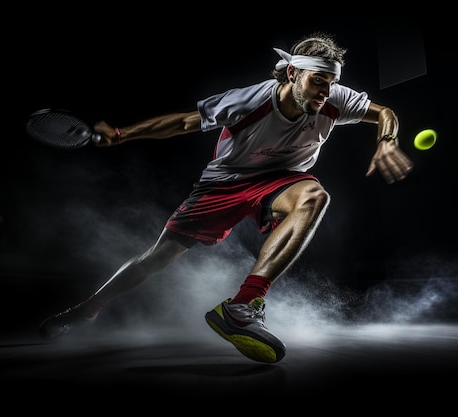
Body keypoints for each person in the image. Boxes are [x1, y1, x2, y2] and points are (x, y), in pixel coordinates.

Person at [38, 31, 414, 363]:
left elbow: (386, 112)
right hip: (224, 184)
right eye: (318, 81)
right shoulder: (248, 101)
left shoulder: (334, 98)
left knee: (314, 196)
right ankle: (87, 309)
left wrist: (386, 141)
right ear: (292, 73)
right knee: (157, 258)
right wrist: (121, 135)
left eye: (330, 83)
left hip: (282, 180)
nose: (325, 91)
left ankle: (242, 305)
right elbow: (184, 122)